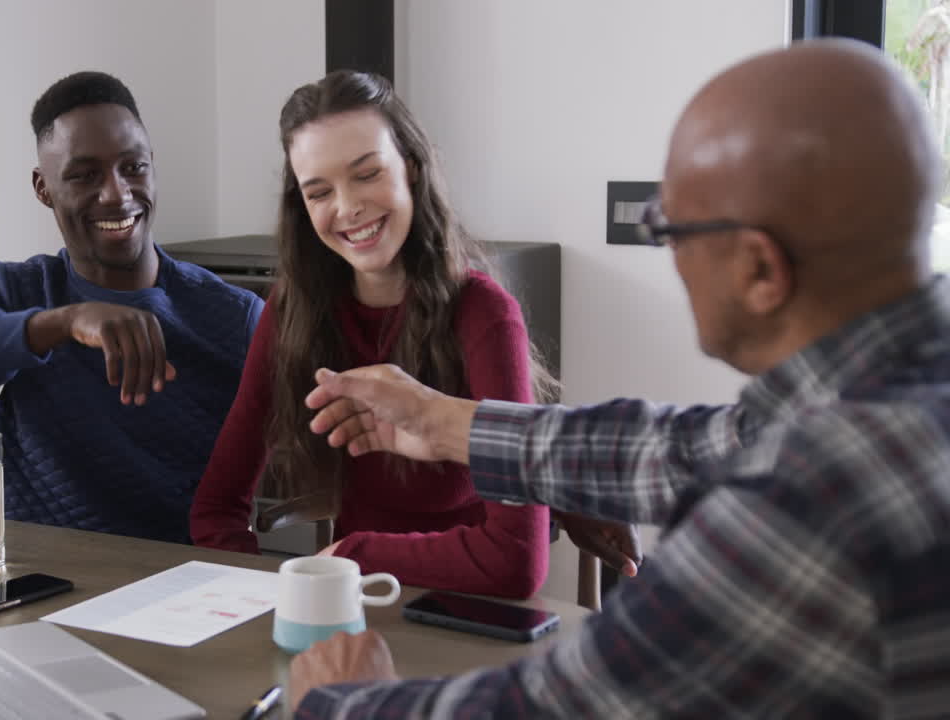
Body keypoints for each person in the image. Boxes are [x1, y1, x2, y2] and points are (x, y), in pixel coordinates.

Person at [289, 40, 950, 717]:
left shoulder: (809, 503)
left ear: (759, 269)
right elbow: (696, 444)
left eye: (669, 227)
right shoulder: (894, 392)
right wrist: (448, 423)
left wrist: (341, 702)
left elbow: (562, 705)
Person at [189, 71, 638, 599]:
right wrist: (264, 596)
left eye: (367, 173)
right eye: (319, 192)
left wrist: (351, 557)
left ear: (412, 168)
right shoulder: (292, 310)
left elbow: (516, 560)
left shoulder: (485, 314)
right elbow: (216, 508)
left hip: (472, 607)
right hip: (357, 603)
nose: (348, 206)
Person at [0, 72, 263, 543]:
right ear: (43, 188)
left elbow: (303, 460)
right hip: (34, 577)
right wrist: (58, 324)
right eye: (84, 175)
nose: (117, 194)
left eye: (133, 168)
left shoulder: (232, 315)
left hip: (176, 585)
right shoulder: (22, 291)